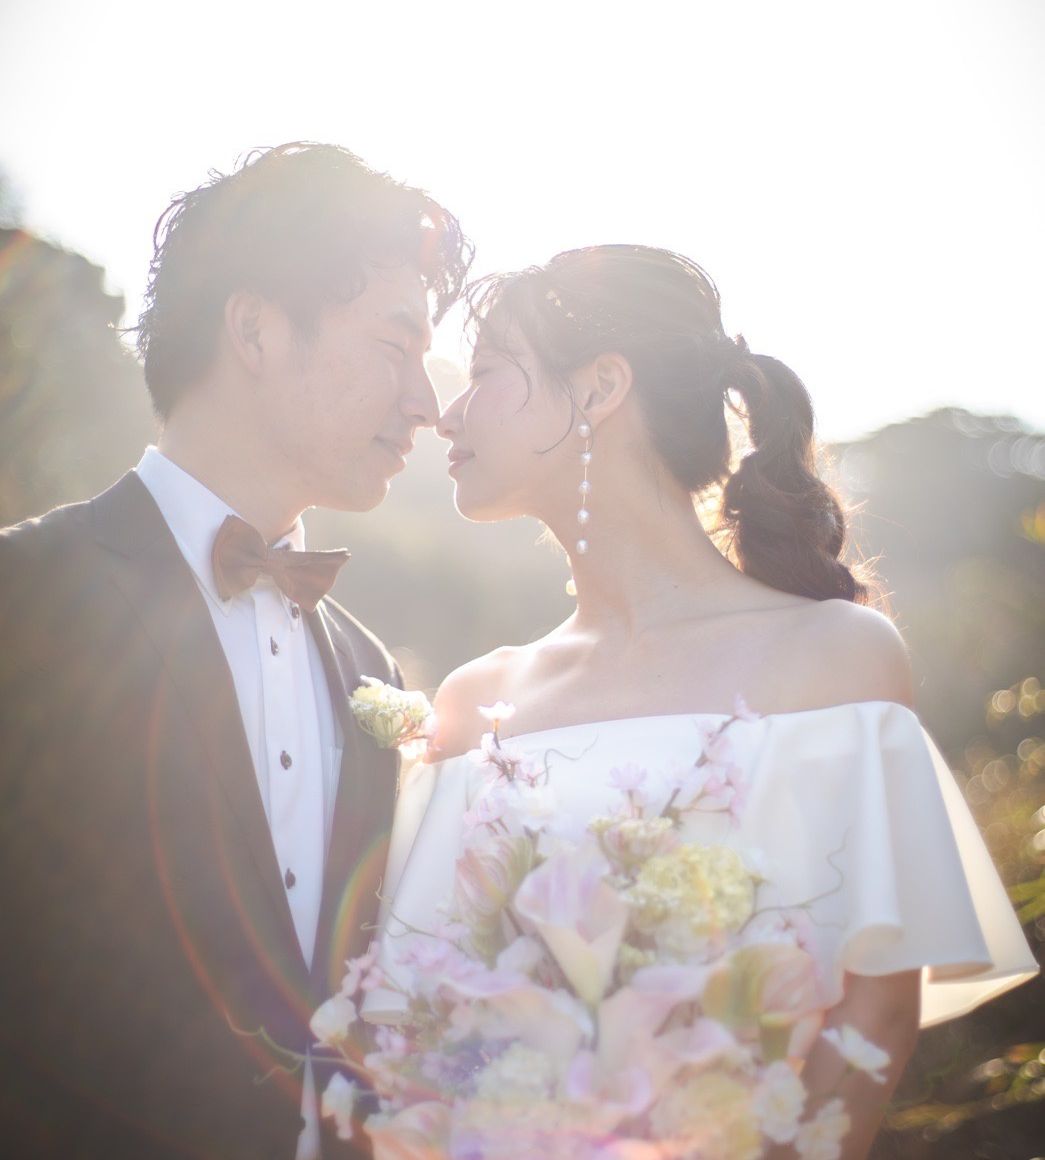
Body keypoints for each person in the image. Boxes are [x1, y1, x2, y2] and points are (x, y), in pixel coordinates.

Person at [371, 245, 1037, 1157]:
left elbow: (876, 1008)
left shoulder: (831, 656)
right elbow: (421, 1017)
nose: (447, 412)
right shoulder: (476, 700)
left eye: (485, 371)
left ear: (600, 387)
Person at [0, 142, 471, 1160]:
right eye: (395, 344)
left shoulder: (370, 671)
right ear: (255, 329)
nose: (426, 403)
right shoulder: (19, 597)